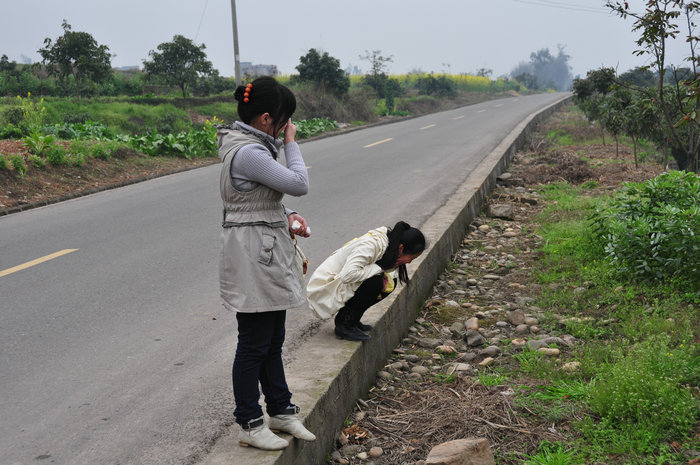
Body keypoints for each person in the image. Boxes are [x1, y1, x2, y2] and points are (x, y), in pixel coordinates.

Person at [217, 76, 316, 450]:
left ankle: (280, 410)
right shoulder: (250, 153)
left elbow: (254, 201)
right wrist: (291, 145)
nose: (288, 127)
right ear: (264, 119)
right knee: (253, 344)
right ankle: (250, 421)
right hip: (253, 257)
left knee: (272, 339)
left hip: (263, 251)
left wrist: (287, 214)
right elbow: (299, 182)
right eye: (284, 120)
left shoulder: (253, 147)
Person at [306, 221, 426, 341]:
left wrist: (383, 268)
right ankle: (345, 324)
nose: (409, 262)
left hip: (340, 281)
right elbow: (347, 275)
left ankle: (352, 318)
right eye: (412, 258)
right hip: (325, 286)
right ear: (401, 248)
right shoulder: (371, 245)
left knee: (389, 282)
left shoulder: (388, 244)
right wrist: (380, 267)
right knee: (375, 283)